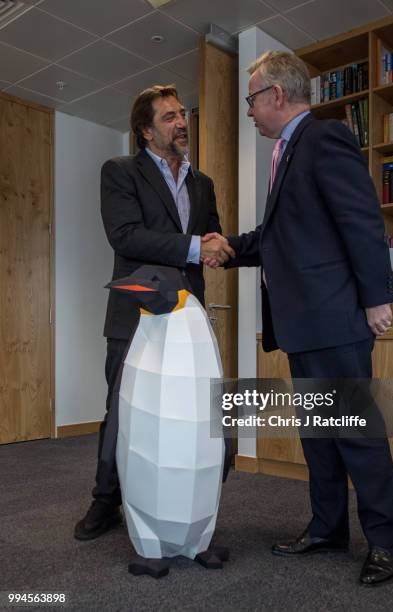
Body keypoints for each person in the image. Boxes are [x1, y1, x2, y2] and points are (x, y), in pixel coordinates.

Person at [202, 51, 393, 586]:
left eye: (251, 99)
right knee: (319, 436)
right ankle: (328, 527)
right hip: (303, 326)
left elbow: (361, 219)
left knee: (357, 434)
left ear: (276, 95)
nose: (249, 111)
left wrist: (376, 297)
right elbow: (279, 239)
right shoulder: (285, 154)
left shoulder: (323, 138)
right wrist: (230, 247)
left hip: (335, 320)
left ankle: (385, 541)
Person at [74, 85, 234, 541]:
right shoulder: (120, 171)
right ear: (145, 131)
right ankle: (106, 501)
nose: (181, 122)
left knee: (186, 413)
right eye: (169, 117)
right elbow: (125, 236)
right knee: (123, 410)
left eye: (182, 114)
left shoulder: (202, 183)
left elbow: (211, 234)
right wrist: (195, 247)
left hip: (187, 319)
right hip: (136, 315)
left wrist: (220, 247)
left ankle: (175, 502)